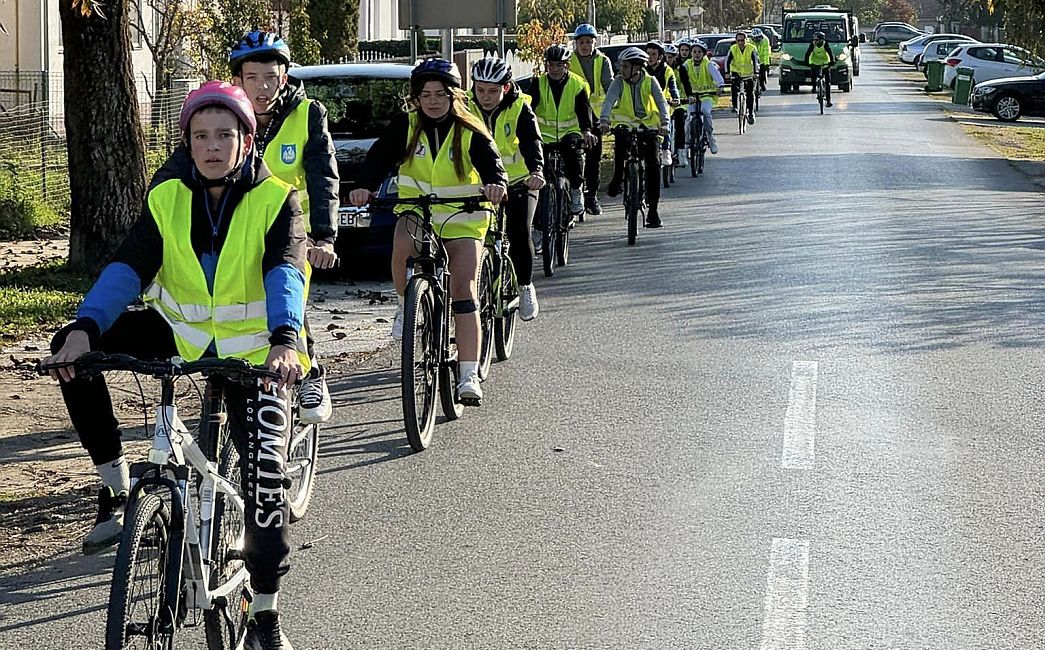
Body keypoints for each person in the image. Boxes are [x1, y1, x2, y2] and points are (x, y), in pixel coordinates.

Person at [43, 81, 306, 649]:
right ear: (186, 142)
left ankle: (265, 613)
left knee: (265, 484)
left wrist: (285, 340)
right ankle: (113, 486)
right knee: (75, 348)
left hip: (257, 353)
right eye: (201, 136)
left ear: (246, 140)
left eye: (225, 135)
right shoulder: (166, 198)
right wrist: (88, 326)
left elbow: (286, 272)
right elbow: (128, 268)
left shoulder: (276, 200)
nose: (213, 146)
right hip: (181, 336)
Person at [151, 30, 339, 425]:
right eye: (252, 77)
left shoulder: (307, 114)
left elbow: (323, 177)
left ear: (284, 77)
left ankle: (310, 372)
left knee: (288, 293)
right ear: (238, 80)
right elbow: (176, 168)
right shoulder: (225, 117)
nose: (262, 86)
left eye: (271, 76)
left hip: (291, 229)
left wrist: (324, 235)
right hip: (236, 229)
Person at [348, 59, 508, 403]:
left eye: (440, 94)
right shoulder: (405, 126)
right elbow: (378, 158)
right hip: (418, 211)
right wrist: (365, 185)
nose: (433, 101)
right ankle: (406, 306)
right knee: (402, 244)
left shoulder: (470, 128)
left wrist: (496, 185)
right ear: (416, 99)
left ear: (454, 96)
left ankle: (468, 375)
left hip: (464, 216)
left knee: (463, 290)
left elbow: (492, 165)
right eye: (425, 95)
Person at [468, 57, 545, 321]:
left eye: (492, 91)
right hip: (478, 184)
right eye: (480, 90)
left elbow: (531, 141)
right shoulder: (464, 107)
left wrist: (536, 171)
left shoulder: (520, 108)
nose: (486, 97)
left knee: (519, 231)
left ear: (507, 87)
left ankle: (525, 286)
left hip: (518, 182)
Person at [599, 47, 670, 228]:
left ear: (637, 68)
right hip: (624, 127)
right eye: (621, 66)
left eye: (625, 66)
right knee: (620, 152)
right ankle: (617, 180)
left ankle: (653, 211)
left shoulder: (651, 81)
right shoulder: (618, 82)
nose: (621, 70)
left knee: (653, 165)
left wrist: (664, 123)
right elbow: (608, 101)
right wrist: (604, 120)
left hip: (649, 128)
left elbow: (662, 103)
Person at [530, 44, 596, 216]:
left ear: (567, 65)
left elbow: (584, 110)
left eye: (559, 65)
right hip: (544, 134)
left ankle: (576, 190)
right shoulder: (538, 83)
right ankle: (539, 224)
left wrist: (586, 131)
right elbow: (528, 109)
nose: (554, 69)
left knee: (573, 154)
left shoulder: (578, 84)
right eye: (551, 64)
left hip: (570, 132)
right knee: (538, 171)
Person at [569, 23, 614, 216]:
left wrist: (610, 110)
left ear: (594, 43)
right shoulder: (569, 60)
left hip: (595, 113)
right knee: (573, 155)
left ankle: (591, 198)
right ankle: (573, 192)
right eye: (581, 42)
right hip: (572, 113)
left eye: (589, 42)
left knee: (594, 157)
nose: (585, 45)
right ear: (576, 43)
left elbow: (608, 84)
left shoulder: (602, 60)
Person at [680, 39, 724, 156]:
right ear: (691, 53)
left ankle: (710, 137)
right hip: (692, 97)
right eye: (694, 52)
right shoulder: (686, 64)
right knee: (689, 118)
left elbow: (717, 76)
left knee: (705, 111)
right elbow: (679, 74)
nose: (697, 54)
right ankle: (685, 145)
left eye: (699, 52)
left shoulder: (708, 64)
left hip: (707, 96)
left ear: (703, 53)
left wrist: (720, 86)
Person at [645, 41, 681, 168]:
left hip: (664, 106)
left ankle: (666, 150)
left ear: (660, 57)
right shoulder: (642, 69)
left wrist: (675, 98)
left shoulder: (667, 71)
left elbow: (673, 87)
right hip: (646, 107)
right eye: (648, 53)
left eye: (653, 54)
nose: (650, 57)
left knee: (665, 126)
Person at [725, 30, 760, 125]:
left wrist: (756, 72)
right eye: (738, 40)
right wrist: (727, 72)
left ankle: (751, 113)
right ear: (736, 41)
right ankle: (735, 106)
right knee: (734, 88)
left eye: (742, 40)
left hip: (749, 74)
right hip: (736, 73)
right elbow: (727, 61)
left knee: (750, 93)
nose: (741, 42)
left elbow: (756, 61)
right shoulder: (733, 49)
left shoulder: (752, 48)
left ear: (746, 40)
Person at [805, 31, 836, 107]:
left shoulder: (825, 44)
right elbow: (808, 53)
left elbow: (830, 53)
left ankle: (828, 101)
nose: (815, 41)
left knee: (828, 83)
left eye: (817, 40)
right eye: (814, 40)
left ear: (822, 40)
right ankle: (814, 86)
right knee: (814, 75)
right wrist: (806, 62)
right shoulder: (812, 44)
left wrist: (832, 61)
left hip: (825, 63)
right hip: (815, 62)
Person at [752, 28, 772, 92]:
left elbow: (766, 53)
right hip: (753, 60)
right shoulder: (749, 41)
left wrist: (767, 64)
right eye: (755, 38)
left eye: (758, 38)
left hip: (762, 60)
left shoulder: (765, 40)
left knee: (762, 74)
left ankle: (762, 84)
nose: (756, 40)